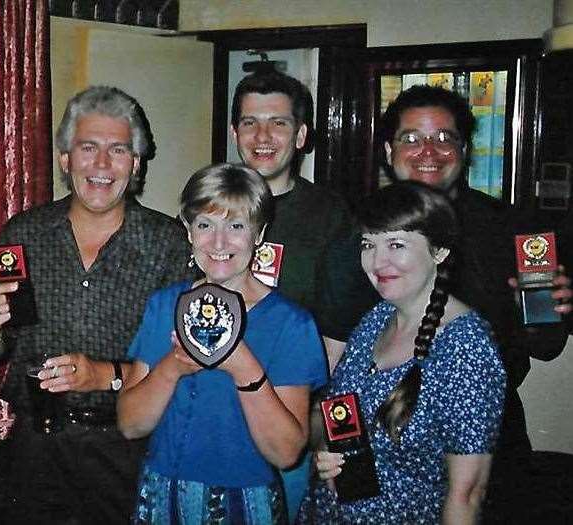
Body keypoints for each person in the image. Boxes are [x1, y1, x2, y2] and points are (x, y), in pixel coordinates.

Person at [317, 84, 572, 519]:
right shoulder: (359, 234)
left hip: (485, 453)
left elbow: (545, 347)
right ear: (388, 149)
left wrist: (550, 309)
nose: (427, 151)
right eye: (410, 138)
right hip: (370, 462)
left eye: (443, 137)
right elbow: (336, 370)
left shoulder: (513, 231)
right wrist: (328, 445)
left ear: (464, 148)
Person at [0, 86, 192, 524]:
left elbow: (181, 360)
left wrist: (103, 376)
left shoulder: (168, 243)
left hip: (125, 447)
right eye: (88, 148)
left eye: (119, 150)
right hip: (34, 447)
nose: (103, 165)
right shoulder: (24, 234)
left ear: (137, 164)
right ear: (64, 159)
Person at [117, 163, 327, 523]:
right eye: (205, 225)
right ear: (188, 231)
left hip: (247, 501)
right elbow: (131, 424)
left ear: (259, 233)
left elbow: (286, 453)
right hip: (162, 493)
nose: (218, 242)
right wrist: (174, 366)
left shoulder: (291, 323)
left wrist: (242, 365)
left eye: (236, 226)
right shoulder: (165, 305)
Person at [299, 180, 506, 524]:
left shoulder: (466, 349)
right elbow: (336, 414)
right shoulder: (375, 319)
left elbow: (467, 494)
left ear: (439, 251)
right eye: (369, 244)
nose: (377, 262)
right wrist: (324, 450)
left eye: (396, 244)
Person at [230, 70, 354, 521]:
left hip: (291, 418)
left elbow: (339, 342)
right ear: (234, 132)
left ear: (301, 135)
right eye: (249, 122)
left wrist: (317, 429)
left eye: (278, 123)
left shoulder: (332, 216)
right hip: (216, 411)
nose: (262, 136)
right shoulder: (211, 203)